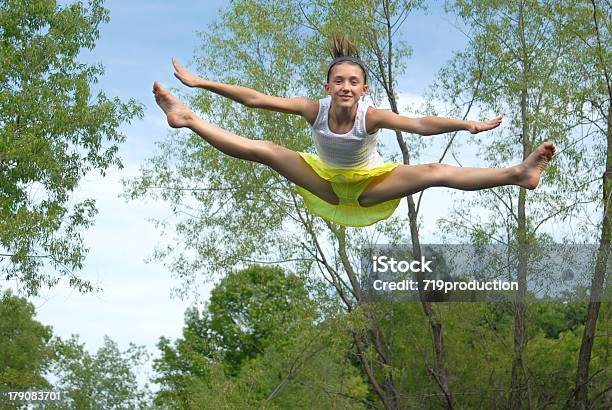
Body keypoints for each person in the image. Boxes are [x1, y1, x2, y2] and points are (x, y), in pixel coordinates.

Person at [153, 36, 555, 227]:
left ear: (364, 90)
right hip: (325, 183)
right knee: (267, 149)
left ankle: (518, 174)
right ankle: (188, 119)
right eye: (338, 81)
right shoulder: (314, 110)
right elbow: (255, 99)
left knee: (434, 173)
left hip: (369, 186)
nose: (345, 87)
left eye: (353, 82)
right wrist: (202, 83)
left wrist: (465, 124)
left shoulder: (371, 115)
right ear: (327, 87)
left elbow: (418, 124)